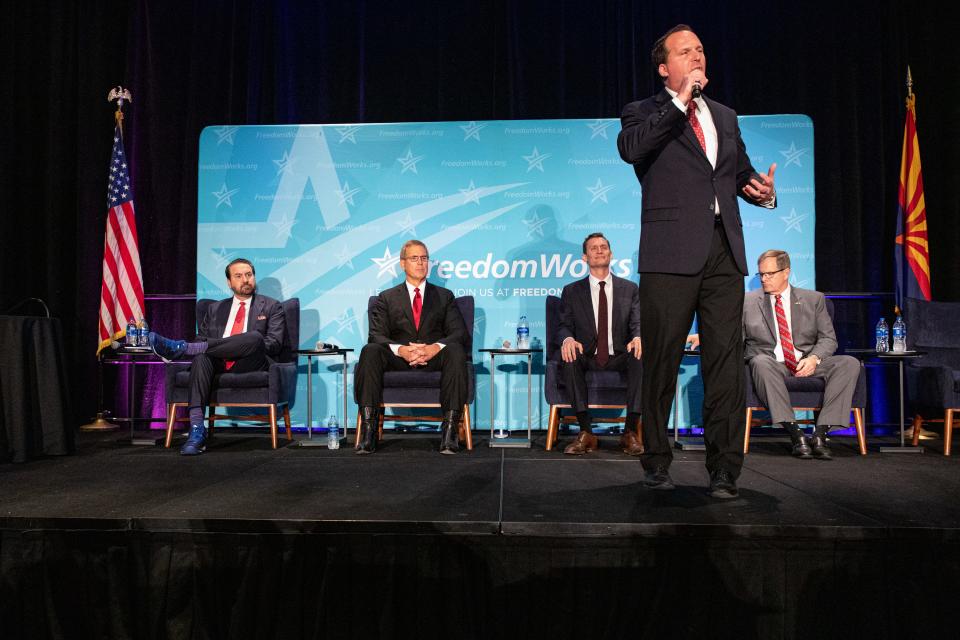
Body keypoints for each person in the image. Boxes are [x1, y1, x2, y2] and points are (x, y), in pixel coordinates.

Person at [616, 24, 777, 498]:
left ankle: (724, 469)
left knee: (725, 364)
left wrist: (761, 193)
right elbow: (632, 151)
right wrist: (678, 102)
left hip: (723, 253)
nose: (697, 57)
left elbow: (739, 174)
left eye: (701, 50)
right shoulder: (642, 112)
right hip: (669, 256)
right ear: (665, 68)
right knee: (662, 361)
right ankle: (656, 461)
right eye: (685, 53)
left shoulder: (725, 116)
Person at [690, 250, 860, 459]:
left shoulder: (813, 299)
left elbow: (828, 339)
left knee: (849, 363)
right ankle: (795, 434)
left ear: (786, 272)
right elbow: (732, 334)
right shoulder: (747, 302)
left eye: (769, 274)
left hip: (807, 361)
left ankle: (821, 434)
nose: (764, 279)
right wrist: (706, 336)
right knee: (760, 361)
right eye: (761, 274)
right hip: (772, 364)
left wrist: (814, 359)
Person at [145, 258, 286, 455]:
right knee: (201, 357)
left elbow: (274, 344)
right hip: (218, 362)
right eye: (239, 276)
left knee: (255, 338)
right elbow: (200, 339)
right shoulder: (215, 308)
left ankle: (180, 348)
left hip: (252, 362)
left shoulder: (272, 306)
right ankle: (196, 430)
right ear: (229, 282)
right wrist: (217, 349)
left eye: (249, 275)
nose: (245, 280)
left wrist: (243, 345)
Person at [354, 240, 468, 455]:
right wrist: (402, 350)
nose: (420, 263)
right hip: (398, 358)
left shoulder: (444, 296)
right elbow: (376, 335)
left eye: (424, 258)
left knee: (455, 349)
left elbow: (458, 333)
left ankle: (450, 431)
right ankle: (368, 432)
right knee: (370, 351)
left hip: (433, 357)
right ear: (402, 264)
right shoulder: (386, 298)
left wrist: (435, 347)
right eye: (414, 258)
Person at [556, 233, 644, 456]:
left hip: (619, 355)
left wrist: (638, 337)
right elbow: (564, 325)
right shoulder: (572, 291)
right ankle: (586, 432)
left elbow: (637, 322)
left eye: (603, 247)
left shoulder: (630, 289)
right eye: (593, 248)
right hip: (588, 355)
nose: (599, 250)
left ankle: (630, 432)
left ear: (611, 254)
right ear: (585, 257)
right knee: (569, 355)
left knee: (641, 353)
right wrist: (567, 339)